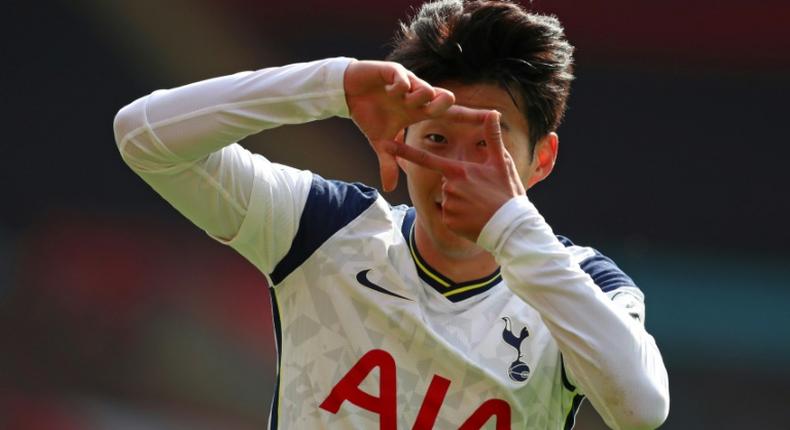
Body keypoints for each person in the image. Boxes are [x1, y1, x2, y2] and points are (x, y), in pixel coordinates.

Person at [113, 0, 669, 428]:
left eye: (487, 144)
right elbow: (143, 137)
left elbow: (641, 408)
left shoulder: (581, 284)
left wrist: (509, 226)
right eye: (436, 137)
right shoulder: (323, 231)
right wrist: (332, 86)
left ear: (540, 159)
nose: (457, 168)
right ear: (399, 139)